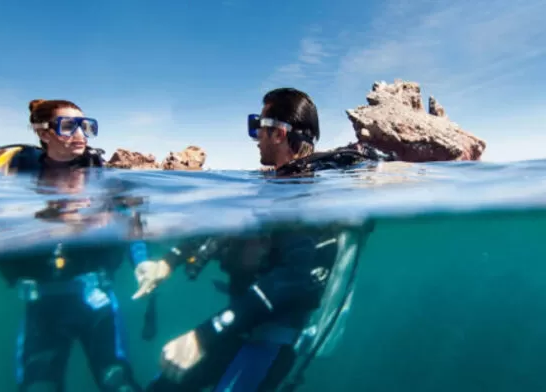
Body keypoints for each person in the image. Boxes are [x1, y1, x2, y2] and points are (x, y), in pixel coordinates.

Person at [132, 88, 390, 392]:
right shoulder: (271, 183)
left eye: (258, 126)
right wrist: (168, 261)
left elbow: (292, 278)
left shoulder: (306, 196)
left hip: (271, 339)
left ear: (279, 133)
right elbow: (228, 228)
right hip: (240, 327)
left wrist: (205, 335)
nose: (255, 137)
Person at [0, 99, 146, 392]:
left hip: (95, 298)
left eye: (86, 126)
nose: (81, 134)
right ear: (43, 133)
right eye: (68, 126)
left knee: (118, 382)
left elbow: (132, 220)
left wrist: (142, 261)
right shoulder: (15, 170)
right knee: (38, 386)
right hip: (41, 305)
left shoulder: (99, 176)